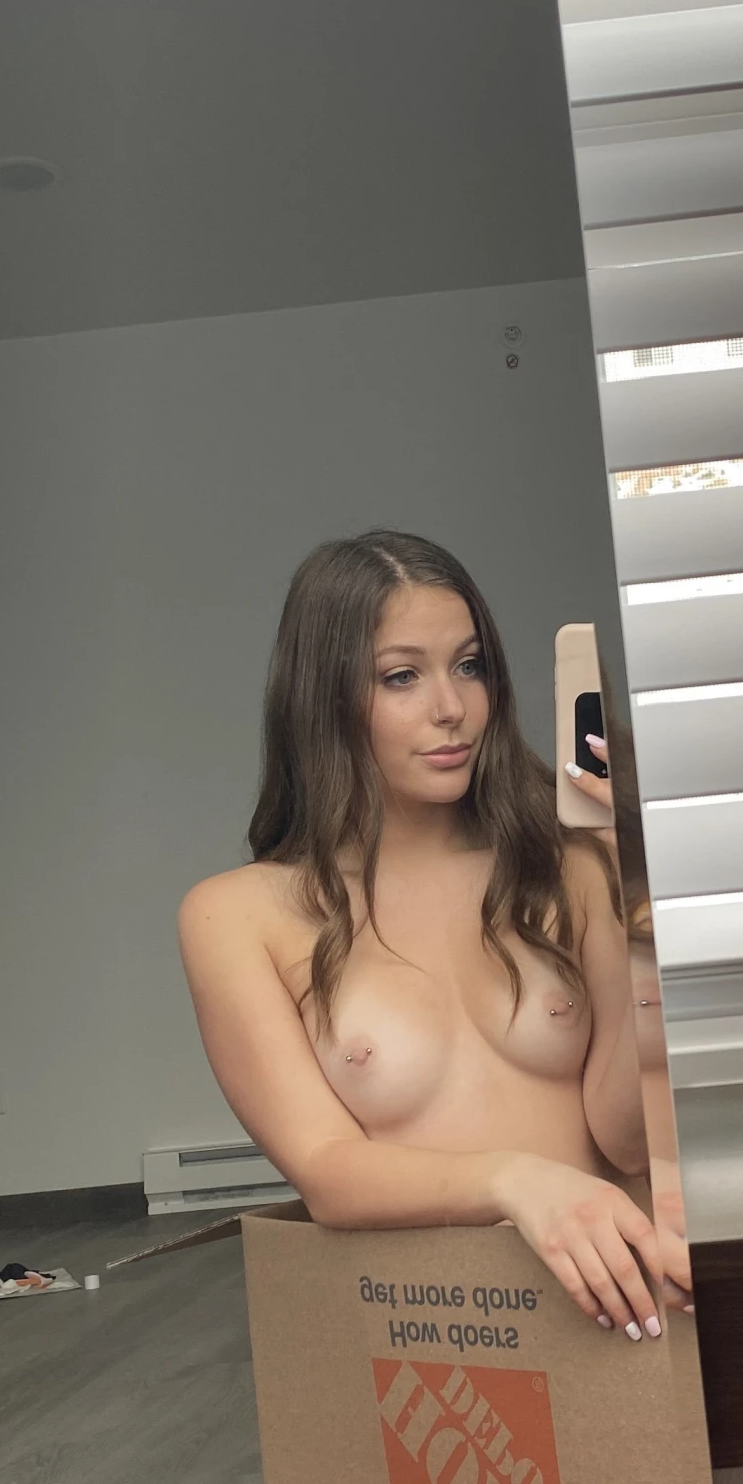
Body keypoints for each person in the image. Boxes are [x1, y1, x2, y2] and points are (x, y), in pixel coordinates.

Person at [179, 530, 690, 1339]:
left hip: (621, 1307)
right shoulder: (235, 915)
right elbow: (328, 1173)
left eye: (470, 665)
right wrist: (519, 1183)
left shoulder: (568, 865)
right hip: (431, 1327)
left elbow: (624, 1140)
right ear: (323, 697)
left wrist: (649, 925)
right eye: (401, 676)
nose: (451, 707)